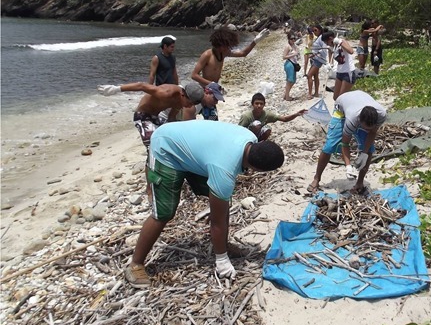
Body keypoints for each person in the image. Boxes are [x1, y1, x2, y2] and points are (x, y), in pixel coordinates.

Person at [123, 120, 285, 288]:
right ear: (257, 169)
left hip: (192, 148)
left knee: (222, 201)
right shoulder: (224, 168)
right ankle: (135, 264)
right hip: (166, 147)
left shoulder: (249, 138)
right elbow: (217, 221)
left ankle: (222, 244)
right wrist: (221, 261)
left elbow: (221, 206)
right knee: (164, 212)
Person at [307, 90, 387, 196]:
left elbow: (372, 133)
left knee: (370, 150)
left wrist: (364, 153)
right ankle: (316, 179)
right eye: (364, 127)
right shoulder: (351, 120)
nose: (367, 130)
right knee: (329, 146)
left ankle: (359, 183)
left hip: (359, 98)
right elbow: (345, 144)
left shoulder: (381, 115)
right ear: (359, 121)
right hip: (342, 107)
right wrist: (348, 166)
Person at [185, 27, 270, 120]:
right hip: (204, 92)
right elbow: (194, 75)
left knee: (212, 119)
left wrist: (255, 41)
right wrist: (211, 83)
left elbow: (243, 53)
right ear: (220, 45)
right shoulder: (207, 55)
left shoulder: (223, 53)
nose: (229, 48)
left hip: (213, 92)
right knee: (190, 115)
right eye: (227, 46)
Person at [97, 82, 204, 149]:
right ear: (183, 95)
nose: (190, 107)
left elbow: (171, 119)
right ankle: (150, 183)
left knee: (169, 141)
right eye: (190, 103)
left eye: (193, 105)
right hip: (142, 116)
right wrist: (116, 89)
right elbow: (142, 86)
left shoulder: (180, 102)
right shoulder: (166, 92)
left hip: (155, 117)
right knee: (153, 146)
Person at [238, 92, 307, 141]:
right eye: (256, 103)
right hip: (246, 137)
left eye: (261, 104)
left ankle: (259, 143)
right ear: (252, 104)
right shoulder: (246, 116)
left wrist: (296, 114)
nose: (259, 106)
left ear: (264, 105)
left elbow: (284, 119)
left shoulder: (267, 114)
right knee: (256, 124)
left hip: (257, 136)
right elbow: (238, 130)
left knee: (268, 129)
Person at [307, 29, 333, 100]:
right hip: (315, 59)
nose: (314, 32)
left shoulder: (322, 38)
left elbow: (324, 50)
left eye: (315, 30)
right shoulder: (318, 38)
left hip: (318, 60)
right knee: (315, 76)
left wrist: (314, 54)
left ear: (320, 30)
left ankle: (310, 94)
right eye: (313, 30)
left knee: (309, 75)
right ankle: (316, 93)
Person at [331, 35, 357, 100]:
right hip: (339, 72)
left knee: (341, 98)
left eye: (326, 42)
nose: (326, 44)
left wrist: (340, 43)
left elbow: (351, 51)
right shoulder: (333, 46)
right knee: (336, 97)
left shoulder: (342, 42)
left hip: (348, 72)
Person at [283, 32, 301, 101]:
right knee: (289, 81)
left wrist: (297, 55)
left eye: (294, 38)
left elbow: (297, 54)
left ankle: (286, 95)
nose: (293, 40)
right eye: (292, 39)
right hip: (289, 64)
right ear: (288, 39)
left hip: (294, 63)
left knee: (293, 81)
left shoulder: (294, 45)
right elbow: (284, 57)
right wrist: (293, 55)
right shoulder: (287, 46)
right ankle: (287, 97)